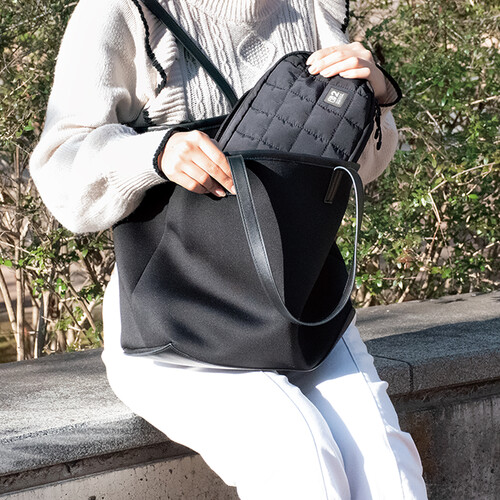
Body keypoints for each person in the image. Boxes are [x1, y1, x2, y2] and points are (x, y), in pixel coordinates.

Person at [29, 0, 428, 498]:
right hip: (176, 315)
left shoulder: (313, 9)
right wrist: (155, 154)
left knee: (387, 465)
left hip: (298, 301)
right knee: (297, 452)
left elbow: (358, 171)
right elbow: (60, 172)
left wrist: (377, 97)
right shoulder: (126, 10)